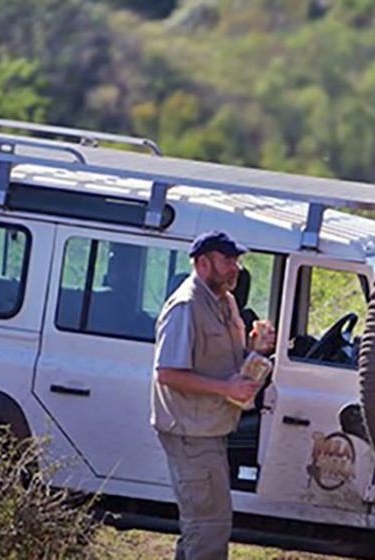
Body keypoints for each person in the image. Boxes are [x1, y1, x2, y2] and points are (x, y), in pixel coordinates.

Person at [150, 230, 263, 560]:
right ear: (202, 263)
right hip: (191, 435)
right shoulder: (185, 306)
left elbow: (221, 358)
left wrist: (254, 348)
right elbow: (167, 373)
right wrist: (227, 389)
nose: (235, 268)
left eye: (236, 261)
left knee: (202, 527)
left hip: (210, 431)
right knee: (208, 530)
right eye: (227, 260)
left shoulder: (223, 301)